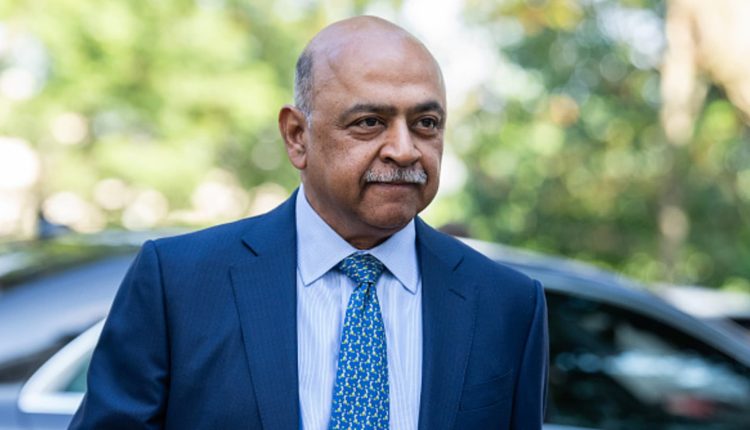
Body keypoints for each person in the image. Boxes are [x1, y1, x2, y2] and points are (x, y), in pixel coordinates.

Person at [69, 16, 548, 430]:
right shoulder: (178, 284)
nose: (404, 150)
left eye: (425, 123)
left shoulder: (508, 305)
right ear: (297, 136)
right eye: (370, 122)